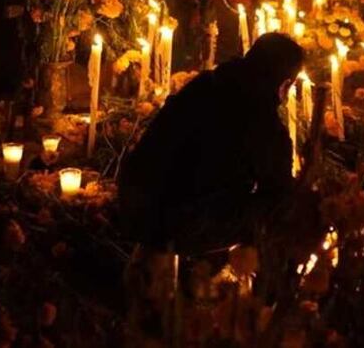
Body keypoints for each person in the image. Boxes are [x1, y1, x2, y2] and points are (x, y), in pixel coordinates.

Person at [118, 33, 304, 253]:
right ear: (285, 84)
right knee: (282, 206)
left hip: (134, 202)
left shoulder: (204, 84)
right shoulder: (264, 122)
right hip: (181, 224)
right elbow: (278, 188)